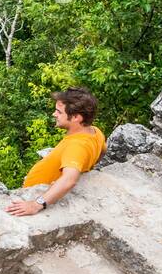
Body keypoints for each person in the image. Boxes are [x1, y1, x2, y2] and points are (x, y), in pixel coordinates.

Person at [7, 88, 105, 217]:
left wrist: (36, 204)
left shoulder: (77, 145)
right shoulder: (95, 132)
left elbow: (69, 180)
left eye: (59, 112)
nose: (54, 114)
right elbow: (103, 150)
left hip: (37, 195)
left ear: (76, 117)